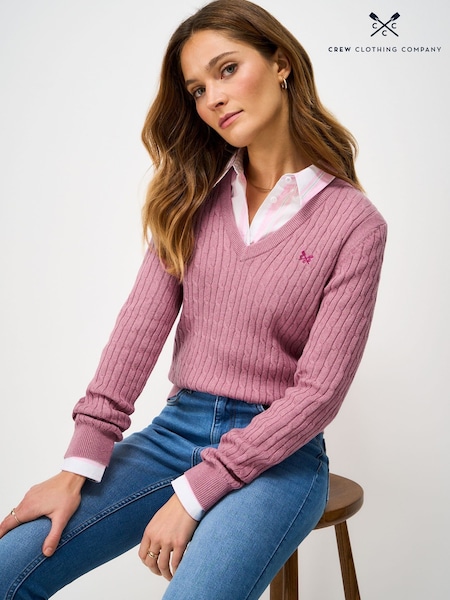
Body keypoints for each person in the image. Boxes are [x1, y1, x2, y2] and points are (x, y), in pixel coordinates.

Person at [0, 1, 387, 598]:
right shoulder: (191, 199)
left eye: (227, 69)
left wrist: (195, 492)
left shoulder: (354, 223)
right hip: (174, 433)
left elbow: (318, 394)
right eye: (198, 89)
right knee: (8, 566)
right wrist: (77, 466)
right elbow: (137, 333)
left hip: (279, 455)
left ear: (280, 63)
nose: (214, 98)